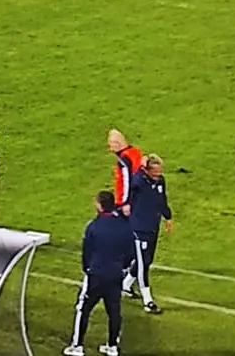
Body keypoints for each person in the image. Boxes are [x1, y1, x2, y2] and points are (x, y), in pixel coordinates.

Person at [64, 190, 133, 356]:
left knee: (84, 309)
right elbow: (130, 252)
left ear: (100, 206)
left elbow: (86, 251)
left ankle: (77, 346)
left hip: (96, 274)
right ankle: (112, 347)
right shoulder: (124, 226)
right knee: (114, 311)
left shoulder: (94, 226)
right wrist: (121, 267)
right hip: (116, 275)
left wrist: (87, 268)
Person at [123, 154, 173, 313]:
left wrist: (168, 217)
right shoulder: (139, 182)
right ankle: (148, 301)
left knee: (146, 260)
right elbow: (130, 184)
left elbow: (162, 200)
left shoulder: (160, 181)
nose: (158, 175)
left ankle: (125, 286)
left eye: (160, 172)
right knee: (143, 264)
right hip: (139, 228)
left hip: (153, 227)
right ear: (146, 170)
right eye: (155, 172)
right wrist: (140, 168)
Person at [107, 129, 143, 216]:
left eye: (111, 145)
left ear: (117, 143)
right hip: (140, 197)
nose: (110, 149)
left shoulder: (124, 159)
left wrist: (125, 203)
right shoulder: (136, 152)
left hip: (129, 202)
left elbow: (127, 181)